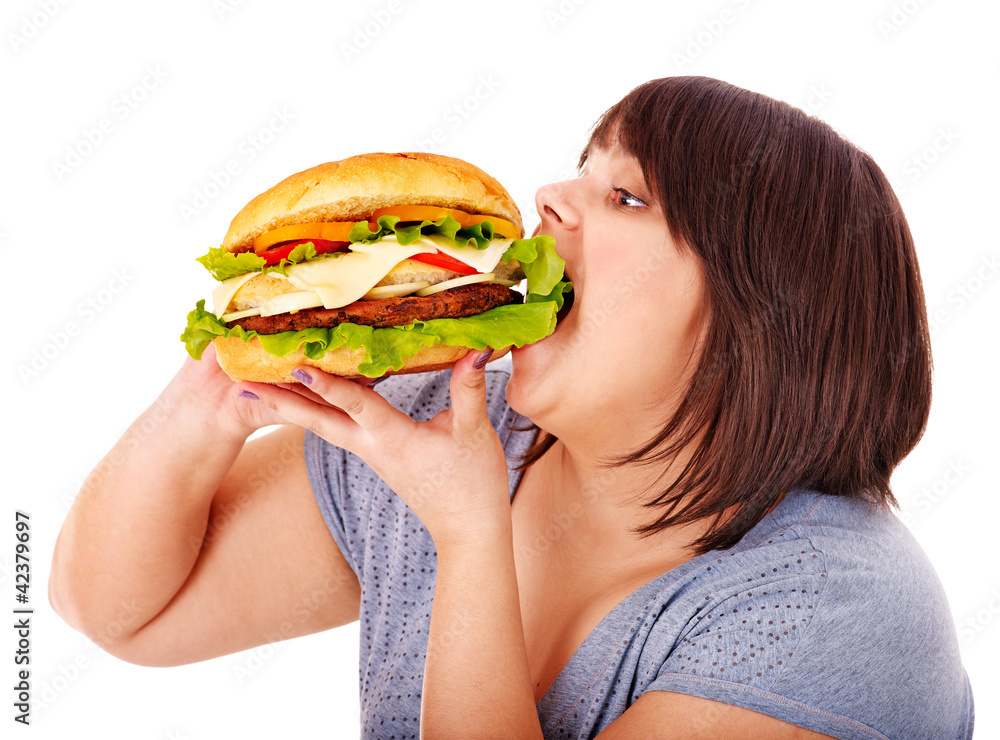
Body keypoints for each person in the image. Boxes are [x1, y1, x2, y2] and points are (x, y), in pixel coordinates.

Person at [50, 76, 973, 739]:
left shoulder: (841, 612)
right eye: (583, 168)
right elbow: (118, 613)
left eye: (625, 195)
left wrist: (469, 534)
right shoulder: (456, 431)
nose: (549, 199)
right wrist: (219, 392)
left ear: (762, 316)